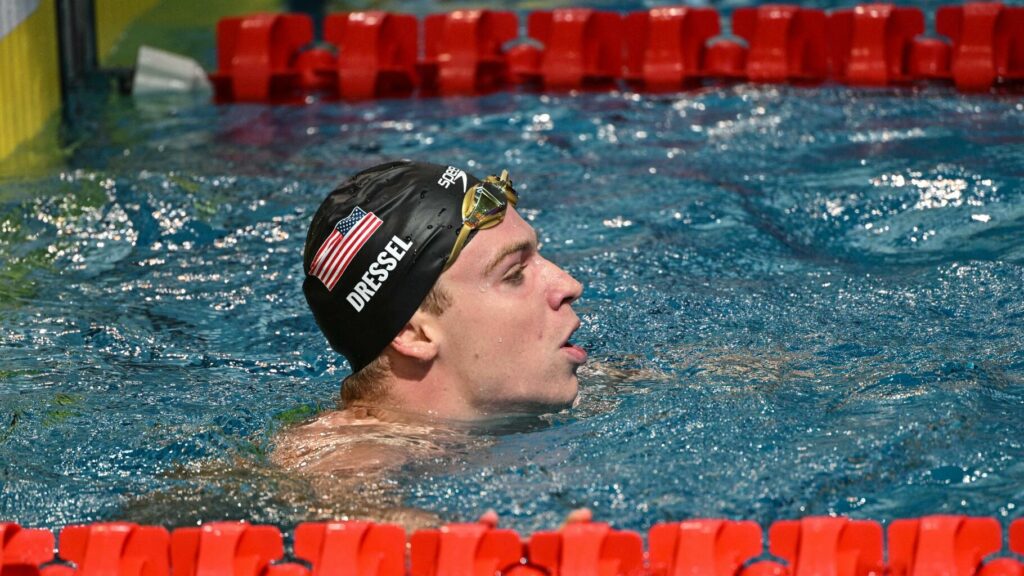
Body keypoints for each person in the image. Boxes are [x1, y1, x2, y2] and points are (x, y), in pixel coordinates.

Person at [272, 160, 588, 497]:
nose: (570, 285)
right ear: (414, 333)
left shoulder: (594, 383)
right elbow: (358, 526)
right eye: (513, 274)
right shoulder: (343, 468)